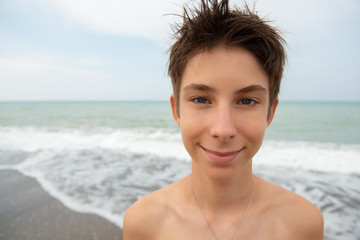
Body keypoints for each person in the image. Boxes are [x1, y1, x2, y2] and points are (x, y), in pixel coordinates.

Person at [123, 0, 324, 239]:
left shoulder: (302, 224)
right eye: (201, 99)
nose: (223, 129)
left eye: (247, 101)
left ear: (270, 112)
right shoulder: (144, 223)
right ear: (176, 110)